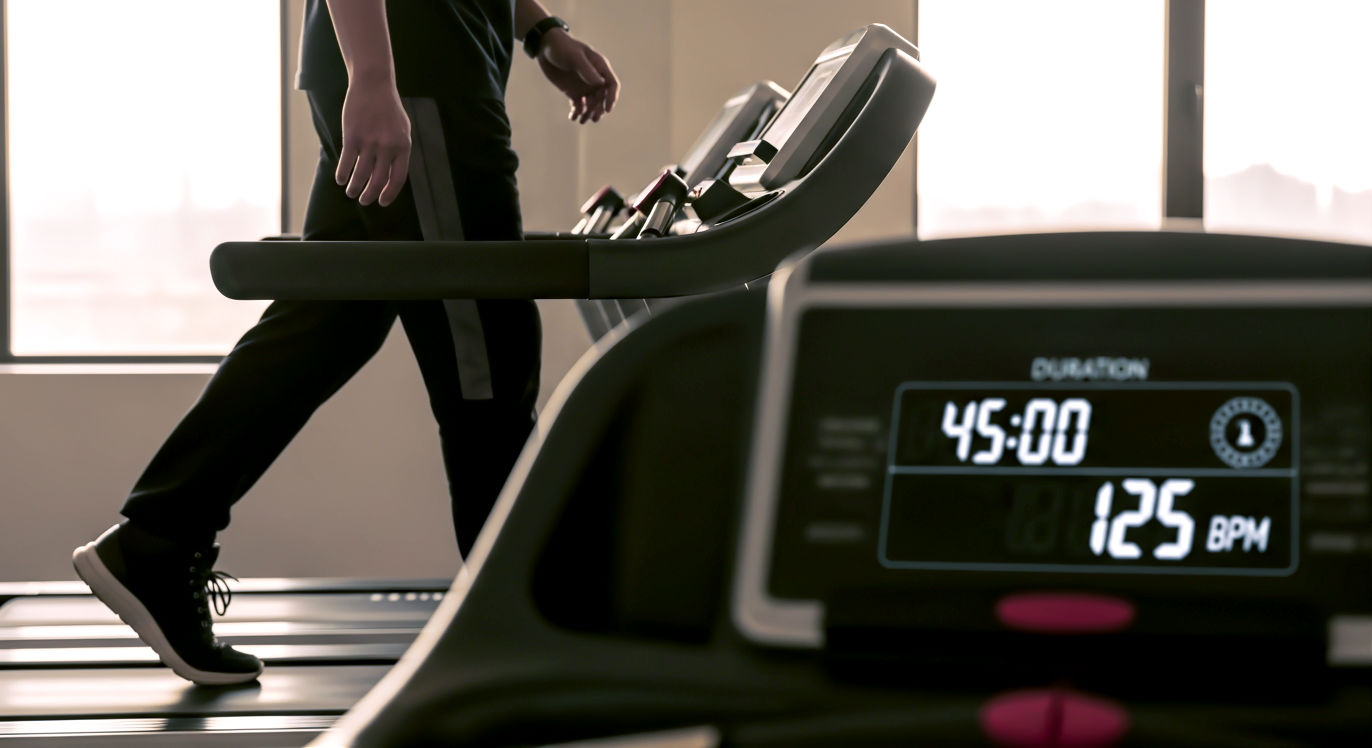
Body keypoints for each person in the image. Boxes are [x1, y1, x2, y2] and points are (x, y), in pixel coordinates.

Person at [71, 0, 619, 686]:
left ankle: (159, 537)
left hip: (421, 61)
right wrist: (373, 74)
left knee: (336, 318)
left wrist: (537, 28)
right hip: (418, 67)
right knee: (486, 358)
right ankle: (528, 635)